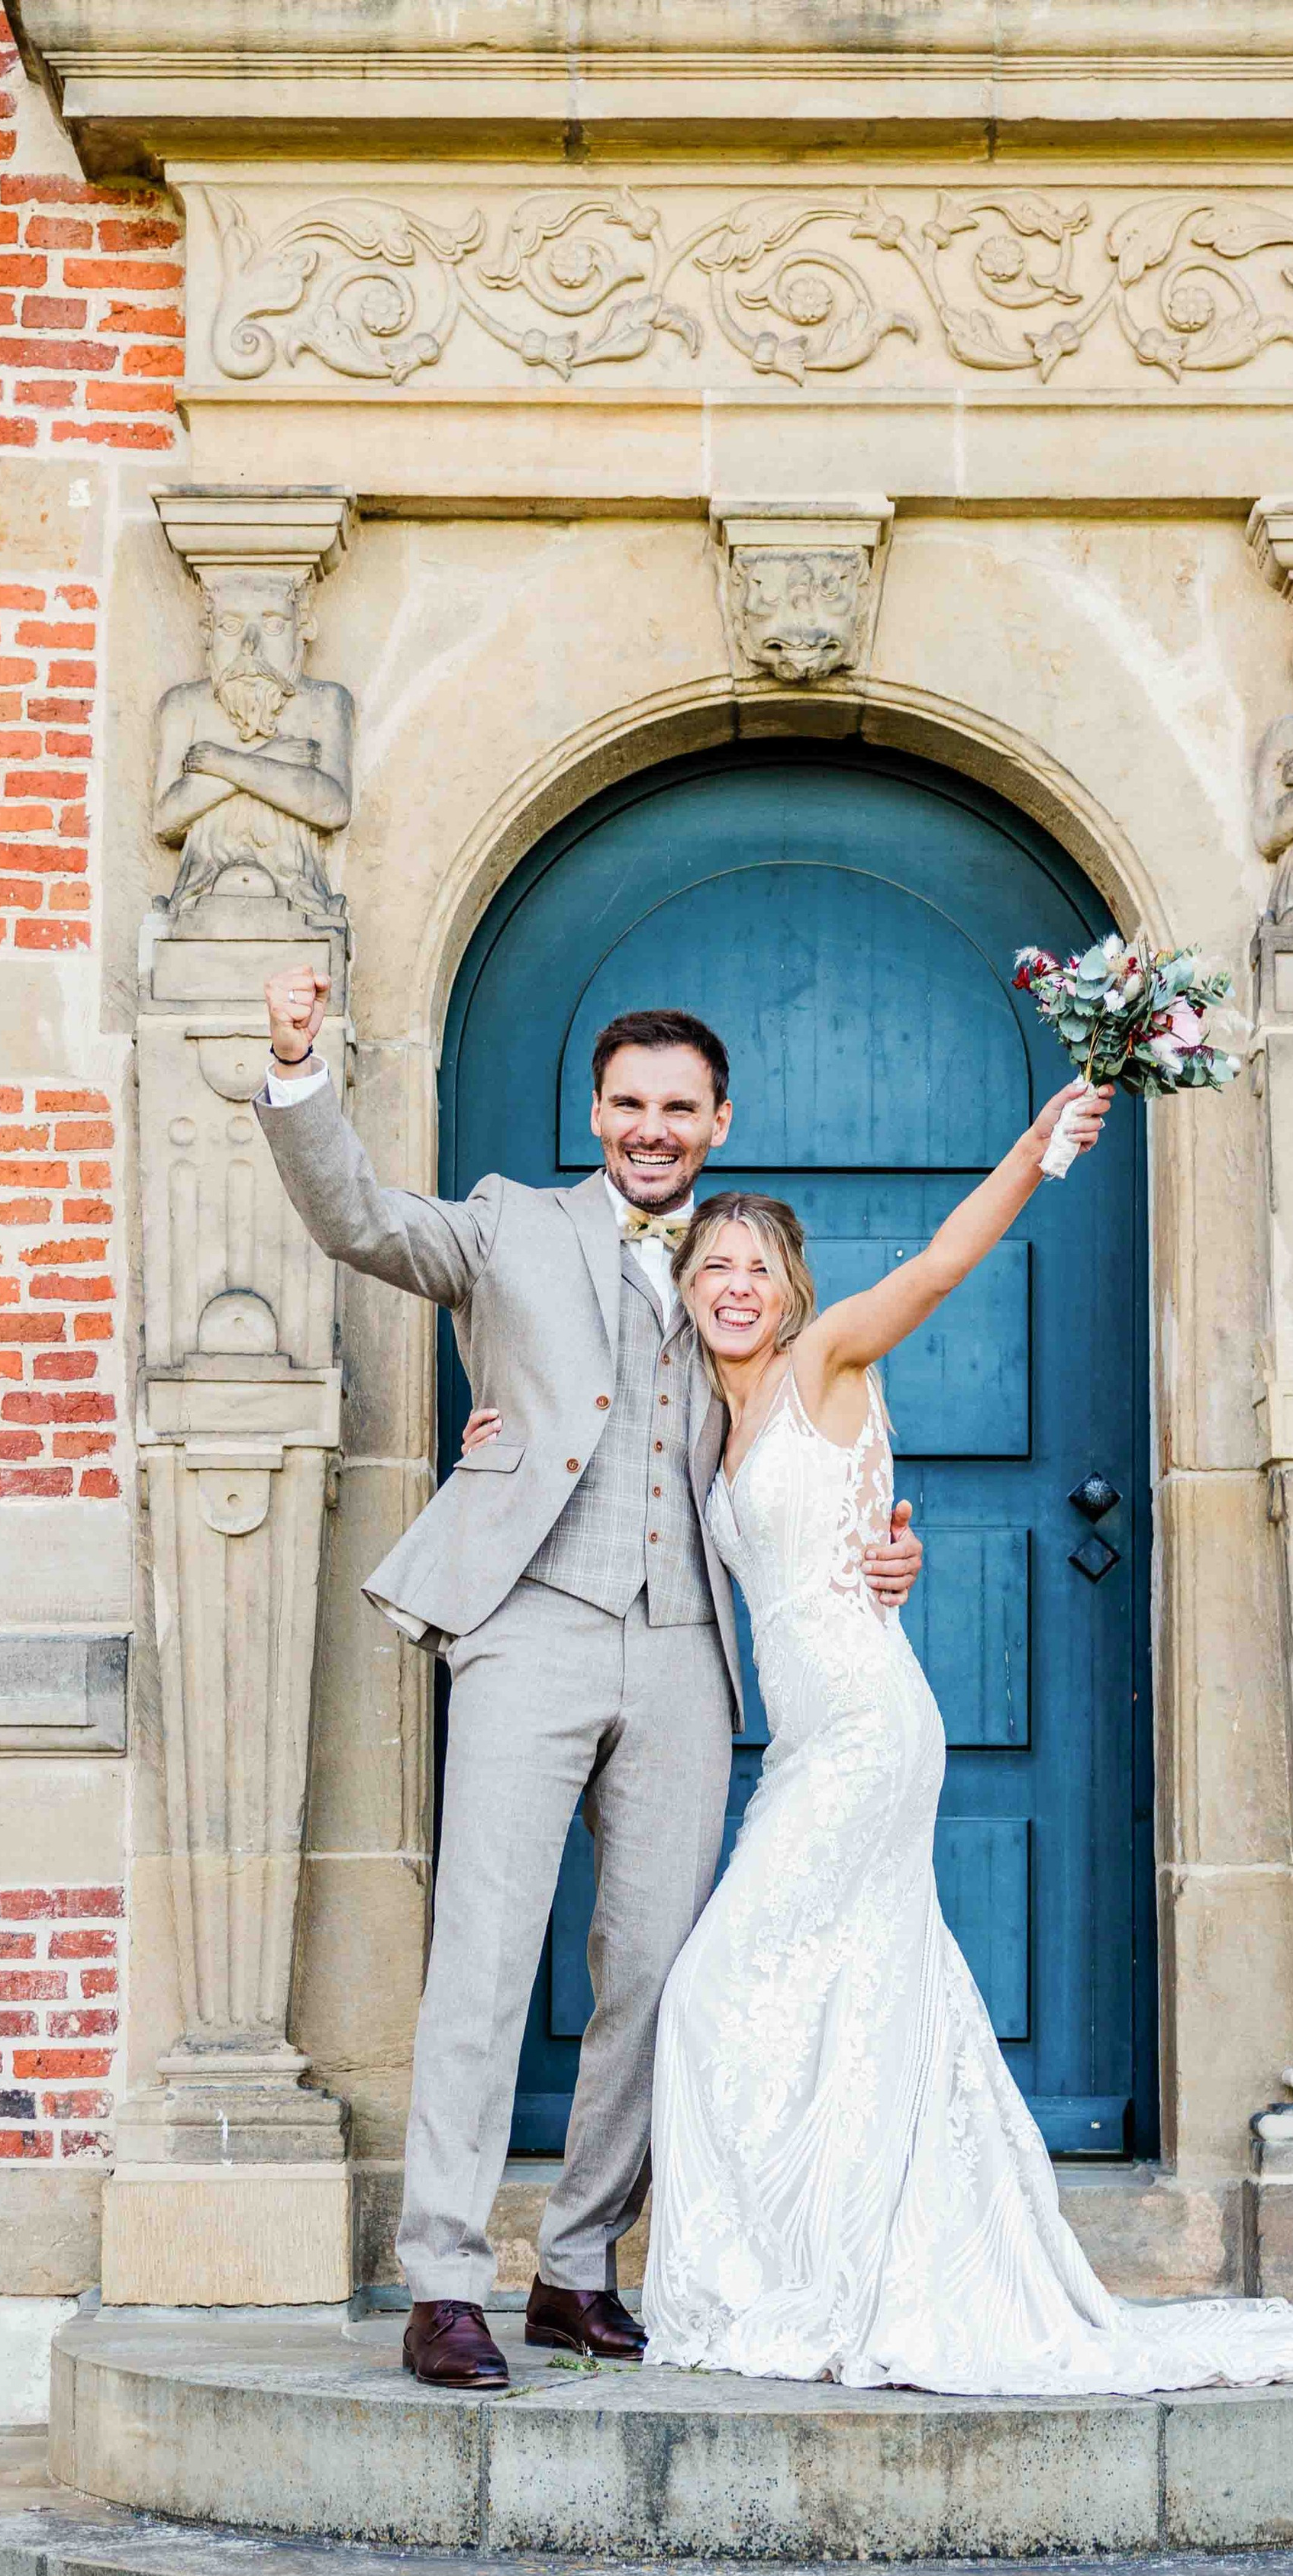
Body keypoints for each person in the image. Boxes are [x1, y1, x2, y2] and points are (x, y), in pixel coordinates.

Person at [487, 1072, 1293, 2394]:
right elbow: (603, 1454)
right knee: (833, 1996)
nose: (732, 1286)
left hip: (868, 1730)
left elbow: (951, 1266)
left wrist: (1034, 1146)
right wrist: (492, 1432)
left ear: (790, 1286)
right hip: (807, 1739)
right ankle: (837, 2263)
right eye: (710, 1267)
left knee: (725, 1986)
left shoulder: (825, 1359)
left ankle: (831, 2277)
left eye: (755, 1267)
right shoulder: (707, 1425)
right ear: (685, 1292)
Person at [254, 965, 921, 2391]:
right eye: (630, 1104)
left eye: (679, 1108)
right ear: (597, 1111)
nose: (652, 1128)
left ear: (718, 1119)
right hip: (530, 1628)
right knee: (486, 1960)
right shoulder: (510, 1223)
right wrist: (302, 1073)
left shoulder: (745, 1273)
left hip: (687, 1644)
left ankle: (575, 2266)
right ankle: (444, 2280)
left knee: (652, 1972)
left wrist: (878, 1555)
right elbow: (359, 1219)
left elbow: (819, 1450)